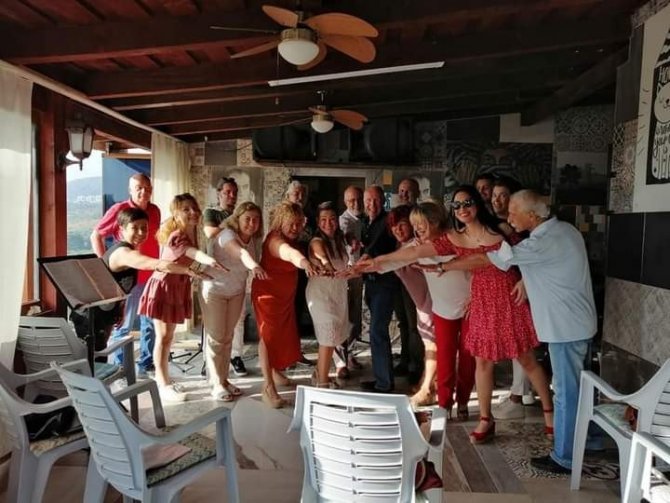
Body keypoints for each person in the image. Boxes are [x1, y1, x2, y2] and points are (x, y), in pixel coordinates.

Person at [362, 186, 553, 444]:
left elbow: (532, 253)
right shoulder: (455, 238)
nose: (462, 209)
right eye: (457, 205)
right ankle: (485, 419)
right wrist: (376, 262)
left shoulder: (501, 229)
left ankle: (550, 415)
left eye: (467, 203)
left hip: (509, 298)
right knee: (482, 362)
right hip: (481, 300)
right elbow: (413, 252)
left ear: (477, 204)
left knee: (526, 359)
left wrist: (526, 281)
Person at [441, 189, 597, 474]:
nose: (509, 217)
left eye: (514, 212)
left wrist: (447, 264)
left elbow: (493, 258)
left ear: (532, 215)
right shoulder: (565, 231)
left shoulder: (541, 242)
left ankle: (564, 456)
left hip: (565, 328)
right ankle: (590, 438)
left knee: (566, 392)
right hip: (577, 323)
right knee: (581, 388)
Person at [72, 208, 199, 356]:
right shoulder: (123, 253)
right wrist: (188, 270)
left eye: (144, 228)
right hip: (90, 313)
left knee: (99, 356)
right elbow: (156, 264)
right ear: (122, 229)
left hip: (106, 311)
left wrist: (120, 308)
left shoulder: (130, 250)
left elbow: (120, 285)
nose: (140, 232)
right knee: (93, 359)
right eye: (134, 228)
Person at [138, 194, 225, 403]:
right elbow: (192, 253)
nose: (193, 212)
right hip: (164, 286)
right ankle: (162, 384)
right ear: (176, 213)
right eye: (186, 209)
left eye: (194, 208)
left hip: (177, 286)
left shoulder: (191, 232)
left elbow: (188, 261)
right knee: (163, 337)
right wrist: (209, 260)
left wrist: (200, 272)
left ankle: (164, 380)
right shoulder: (177, 235)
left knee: (168, 338)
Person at [90, 173, 160, 378]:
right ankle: (120, 370)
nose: (143, 191)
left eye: (147, 187)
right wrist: (105, 266)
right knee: (124, 326)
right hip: (127, 279)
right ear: (130, 190)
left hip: (150, 276)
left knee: (150, 324)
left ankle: (146, 364)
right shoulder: (119, 210)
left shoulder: (155, 210)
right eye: (139, 188)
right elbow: (96, 235)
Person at [251, 202, 318, 408]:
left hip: (284, 298)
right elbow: (288, 253)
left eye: (299, 223)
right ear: (281, 221)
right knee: (268, 338)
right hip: (268, 297)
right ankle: (268, 387)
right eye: (291, 223)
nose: (295, 228)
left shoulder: (293, 238)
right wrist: (304, 263)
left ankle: (275, 372)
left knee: (282, 336)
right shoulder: (275, 239)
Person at [201, 202, 266, 401]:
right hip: (214, 291)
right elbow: (240, 253)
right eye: (248, 219)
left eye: (256, 220)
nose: (252, 223)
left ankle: (224, 379)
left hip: (236, 292)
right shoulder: (227, 234)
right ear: (237, 219)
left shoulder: (253, 240)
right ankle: (216, 384)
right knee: (216, 338)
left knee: (227, 337)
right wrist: (254, 266)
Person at [490, 177, 537, 419]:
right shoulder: (494, 224)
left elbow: (527, 258)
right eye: (494, 195)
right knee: (516, 342)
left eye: (503, 195)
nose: (497, 200)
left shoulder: (522, 228)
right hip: (506, 289)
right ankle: (522, 391)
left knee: (520, 343)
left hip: (522, 288)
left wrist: (526, 280)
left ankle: (519, 395)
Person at [306, 202, 356, 388]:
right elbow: (322, 257)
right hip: (320, 296)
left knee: (334, 337)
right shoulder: (316, 241)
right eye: (324, 220)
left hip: (337, 293)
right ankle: (323, 383)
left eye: (332, 219)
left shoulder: (340, 241)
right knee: (327, 337)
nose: (328, 223)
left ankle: (319, 372)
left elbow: (347, 262)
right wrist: (328, 266)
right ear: (318, 222)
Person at [203, 177, 248, 377]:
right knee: (215, 324)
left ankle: (236, 356)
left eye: (234, 193)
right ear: (219, 193)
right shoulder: (211, 212)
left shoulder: (240, 214)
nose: (231, 196)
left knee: (238, 319)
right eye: (227, 192)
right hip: (216, 272)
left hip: (237, 272)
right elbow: (210, 232)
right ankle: (212, 362)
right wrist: (231, 230)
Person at [359, 185, 399, 393]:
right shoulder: (366, 222)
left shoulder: (387, 221)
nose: (372, 204)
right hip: (371, 283)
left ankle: (384, 383)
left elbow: (371, 251)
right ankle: (380, 378)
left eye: (375, 200)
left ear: (383, 201)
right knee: (375, 332)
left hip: (385, 283)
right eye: (368, 200)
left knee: (377, 331)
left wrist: (354, 268)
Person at [393, 178, 423, 384]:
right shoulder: (395, 214)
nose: (404, 195)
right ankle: (405, 359)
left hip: (415, 283)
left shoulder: (420, 217)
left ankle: (416, 365)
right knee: (403, 323)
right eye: (401, 191)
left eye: (408, 191)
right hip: (397, 281)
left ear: (417, 193)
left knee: (414, 326)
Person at [336, 185, 365, 377]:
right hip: (345, 274)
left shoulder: (365, 219)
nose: (356, 203)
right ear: (345, 202)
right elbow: (346, 238)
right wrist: (351, 243)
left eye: (358, 199)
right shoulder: (341, 221)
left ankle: (351, 354)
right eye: (351, 200)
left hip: (360, 275)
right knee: (342, 317)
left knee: (355, 317)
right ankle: (340, 361)